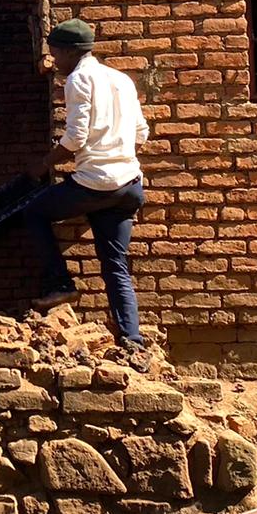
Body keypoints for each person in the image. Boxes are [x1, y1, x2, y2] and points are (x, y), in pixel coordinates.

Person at [23, 19, 149, 353]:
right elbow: (142, 133)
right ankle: (132, 340)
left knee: (33, 213)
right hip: (129, 186)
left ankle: (60, 284)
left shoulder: (79, 78)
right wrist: (118, 152)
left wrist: (43, 164)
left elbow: (75, 138)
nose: (54, 62)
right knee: (115, 266)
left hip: (95, 184)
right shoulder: (121, 79)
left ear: (69, 52)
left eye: (55, 54)